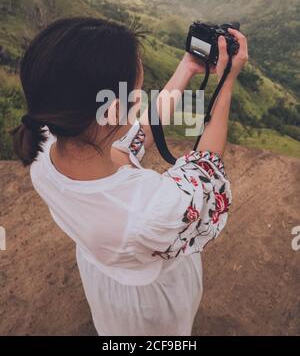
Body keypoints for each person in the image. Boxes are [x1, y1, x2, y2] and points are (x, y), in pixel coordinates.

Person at [11, 17, 248, 336]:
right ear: (113, 110)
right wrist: (226, 83)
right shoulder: (148, 209)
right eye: (135, 90)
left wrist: (187, 68)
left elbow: (134, 138)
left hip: (107, 281)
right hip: (147, 309)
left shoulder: (46, 142)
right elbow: (205, 168)